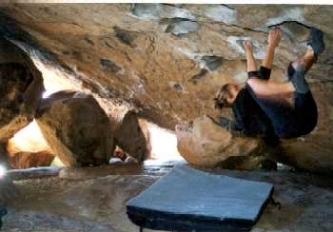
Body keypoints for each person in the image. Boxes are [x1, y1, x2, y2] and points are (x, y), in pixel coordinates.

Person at [214, 27, 325, 145]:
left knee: (293, 69)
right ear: (230, 99)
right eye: (236, 89)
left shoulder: (247, 109)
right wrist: (264, 48)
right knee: (252, 84)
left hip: (305, 118)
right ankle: (293, 85)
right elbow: (254, 80)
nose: (241, 89)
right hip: (290, 125)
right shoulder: (240, 107)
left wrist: (268, 47)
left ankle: (313, 50)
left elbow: (262, 75)